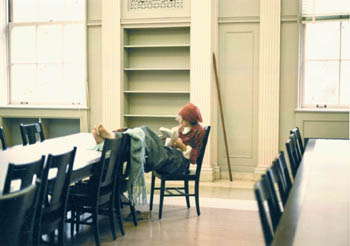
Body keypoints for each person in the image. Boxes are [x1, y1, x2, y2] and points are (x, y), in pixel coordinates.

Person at [92, 102, 206, 176]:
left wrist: (181, 146)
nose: (180, 122)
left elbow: (194, 159)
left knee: (145, 132)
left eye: (183, 120)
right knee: (138, 142)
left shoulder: (199, 131)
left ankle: (111, 138)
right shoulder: (183, 128)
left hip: (179, 164)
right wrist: (172, 139)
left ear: (190, 118)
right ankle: (111, 138)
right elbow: (170, 146)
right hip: (170, 156)